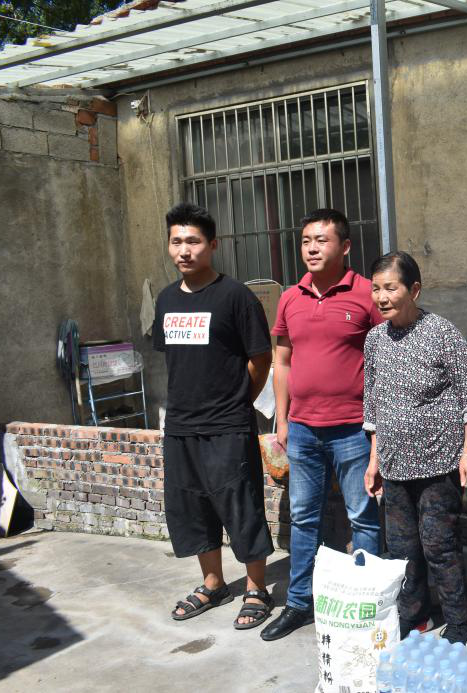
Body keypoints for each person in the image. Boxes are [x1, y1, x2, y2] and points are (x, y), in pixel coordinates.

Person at [261, 208, 383, 642]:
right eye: (306, 240)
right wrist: (282, 418)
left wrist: (379, 428)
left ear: (345, 246)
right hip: (302, 430)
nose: (312, 248)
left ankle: (368, 605)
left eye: (322, 240)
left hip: (353, 429)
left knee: (362, 517)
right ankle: (298, 603)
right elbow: (282, 360)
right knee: (302, 518)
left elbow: (387, 357)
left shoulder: (367, 294)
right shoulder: (290, 297)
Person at [153, 202, 275, 630]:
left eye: (193, 241)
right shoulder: (166, 299)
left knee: (240, 506)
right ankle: (213, 583)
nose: (184, 250)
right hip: (181, 425)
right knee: (192, 507)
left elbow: (260, 359)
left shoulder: (235, 297)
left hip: (227, 425)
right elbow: (177, 360)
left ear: (213, 245)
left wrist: (239, 401)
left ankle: (257, 588)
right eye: (176, 242)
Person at [362, 251, 467, 645]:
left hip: (437, 464)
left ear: (414, 289)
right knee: (401, 550)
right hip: (394, 466)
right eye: (376, 289)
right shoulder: (375, 339)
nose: (381, 297)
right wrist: (374, 461)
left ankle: (460, 622)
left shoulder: (442, 333)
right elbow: (373, 407)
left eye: (390, 288)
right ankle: (414, 616)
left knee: (440, 546)